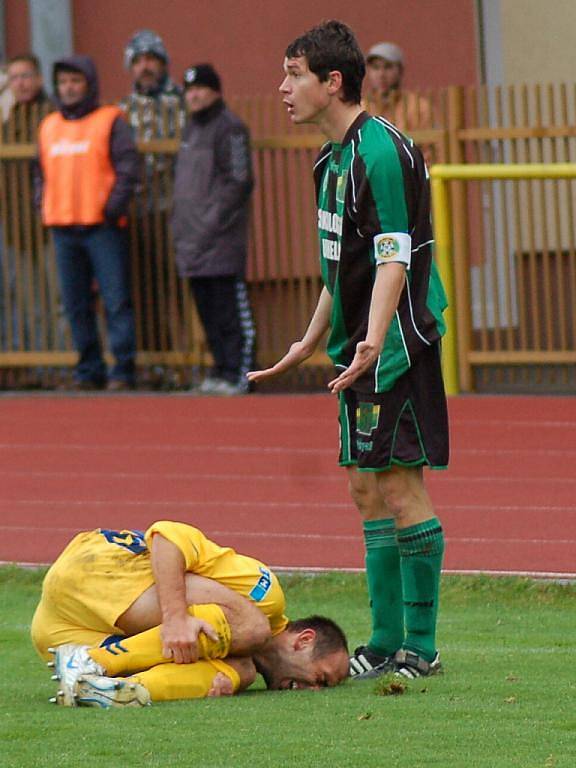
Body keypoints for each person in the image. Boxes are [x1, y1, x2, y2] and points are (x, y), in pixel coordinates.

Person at [248, 21, 449, 681]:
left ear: (332, 81)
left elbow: (392, 257)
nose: (282, 88)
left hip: (395, 346)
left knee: (399, 486)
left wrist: (373, 340)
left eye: (294, 74)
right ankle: (385, 639)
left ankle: (421, 646)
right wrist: (310, 339)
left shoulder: (379, 152)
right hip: (358, 349)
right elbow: (343, 269)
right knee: (364, 487)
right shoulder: (328, 161)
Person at [31, 521, 349, 707]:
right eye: (320, 678)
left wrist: (204, 682)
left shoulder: (239, 668)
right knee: (252, 624)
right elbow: (167, 536)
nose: (314, 690)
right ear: (304, 640)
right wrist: (175, 617)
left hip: (58, 630)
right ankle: (94, 663)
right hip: (100, 569)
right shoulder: (267, 596)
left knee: (240, 669)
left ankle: (103, 689)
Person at [36, 55, 139, 391]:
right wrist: (43, 203)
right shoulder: (49, 125)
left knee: (115, 300)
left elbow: (128, 168)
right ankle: (88, 369)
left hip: (102, 227)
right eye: (64, 82)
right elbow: (41, 174)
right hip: (63, 227)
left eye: (75, 81)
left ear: (89, 84)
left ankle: (122, 369)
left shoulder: (110, 120)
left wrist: (111, 209)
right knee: (75, 304)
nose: (69, 88)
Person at [173, 64, 255, 395]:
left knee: (229, 309)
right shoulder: (190, 129)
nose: (193, 94)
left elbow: (239, 180)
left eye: (200, 88)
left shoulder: (230, 128)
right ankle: (221, 369)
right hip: (192, 239)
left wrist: (212, 221)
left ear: (215, 91)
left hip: (219, 239)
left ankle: (241, 373)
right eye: (189, 89)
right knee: (207, 310)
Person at [121, 30, 185, 384]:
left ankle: (188, 360)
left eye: (152, 60)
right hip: (136, 212)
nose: (146, 67)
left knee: (180, 289)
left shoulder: (183, 103)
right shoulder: (121, 111)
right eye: (139, 60)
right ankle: (157, 364)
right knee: (145, 292)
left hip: (176, 210)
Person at [364, 42, 433, 135]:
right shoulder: (361, 108)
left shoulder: (419, 108)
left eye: (388, 67)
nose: (381, 74)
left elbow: (430, 146)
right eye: (376, 68)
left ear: (400, 70)